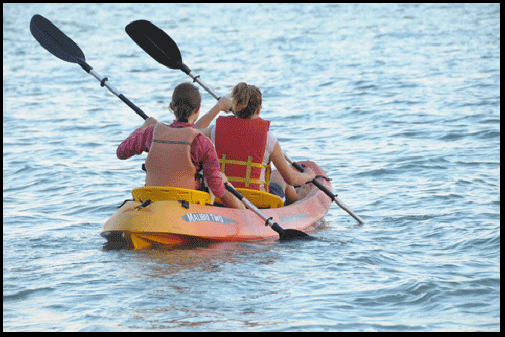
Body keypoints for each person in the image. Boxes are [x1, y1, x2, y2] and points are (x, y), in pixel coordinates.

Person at [116, 82, 245, 209]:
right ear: (198, 109)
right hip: (188, 205)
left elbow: (121, 152)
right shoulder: (201, 142)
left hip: (153, 201)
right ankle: (244, 213)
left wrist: (143, 127)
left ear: (171, 106)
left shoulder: (151, 132)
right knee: (219, 178)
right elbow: (217, 189)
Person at [195, 82, 316, 204]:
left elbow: (193, 131)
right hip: (258, 201)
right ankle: (296, 199)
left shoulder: (216, 130)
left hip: (225, 197)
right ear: (258, 110)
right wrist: (308, 176)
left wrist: (219, 107)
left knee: (277, 176)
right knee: (279, 176)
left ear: (235, 106)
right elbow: (291, 178)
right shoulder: (269, 139)